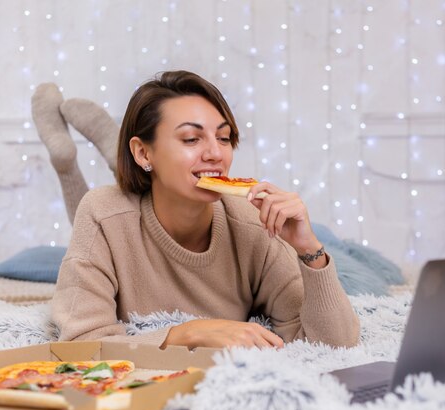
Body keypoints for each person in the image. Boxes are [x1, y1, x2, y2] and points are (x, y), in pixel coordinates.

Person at [49, 70, 360, 349]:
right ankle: (77, 160)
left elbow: (334, 346)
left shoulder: (253, 222)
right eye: (191, 138)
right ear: (143, 151)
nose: (215, 153)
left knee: (358, 267)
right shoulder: (103, 214)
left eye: (224, 138)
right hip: (125, 203)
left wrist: (309, 249)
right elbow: (81, 344)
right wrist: (187, 333)